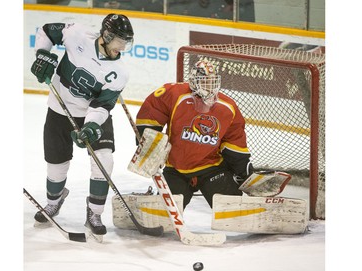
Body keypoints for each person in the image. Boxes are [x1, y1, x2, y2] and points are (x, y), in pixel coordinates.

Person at [30, 14, 134, 236]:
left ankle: (94, 212)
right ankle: (54, 201)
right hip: (59, 109)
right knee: (57, 164)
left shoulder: (120, 73)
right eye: (120, 41)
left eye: (126, 42)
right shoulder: (78, 33)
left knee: (104, 159)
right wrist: (42, 54)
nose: (122, 47)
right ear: (106, 35)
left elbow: (102, 105)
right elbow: (47, 30)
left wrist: (90, 127)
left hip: (92, 115)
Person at [135, 60, 253, 209]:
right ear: (193, 82)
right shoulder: (174, 94)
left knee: (233, 210)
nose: (209, 87)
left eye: (212, 82)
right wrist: (150, 145)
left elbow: (234, 139)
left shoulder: (227, 107)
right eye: (204, 82)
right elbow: (152, 111)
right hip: (176, 170)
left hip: (212, 168)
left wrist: (242, 168)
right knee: (162, 218)